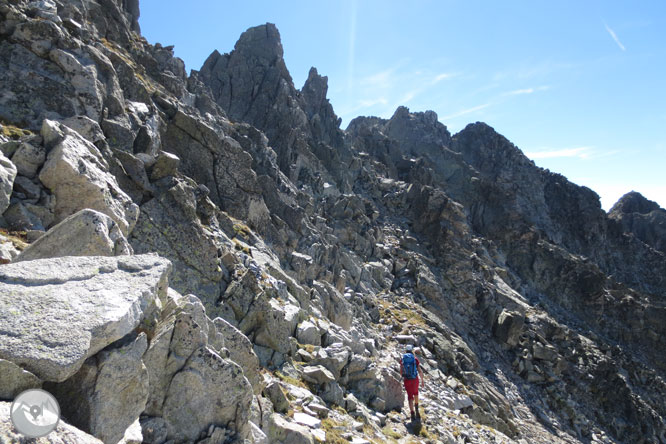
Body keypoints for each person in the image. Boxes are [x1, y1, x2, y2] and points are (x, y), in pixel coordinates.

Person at [399, 344, 425, 421]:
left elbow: (401, 371)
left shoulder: (403, 359)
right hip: (415, 379)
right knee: (416, 393)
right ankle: (417, 408)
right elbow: (420, 371)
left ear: (406, 350)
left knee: (410, 396)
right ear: (412, 350)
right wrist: (422, 380)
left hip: (407, 380)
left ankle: (412, 413)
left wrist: (404, 376)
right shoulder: (415, 359)